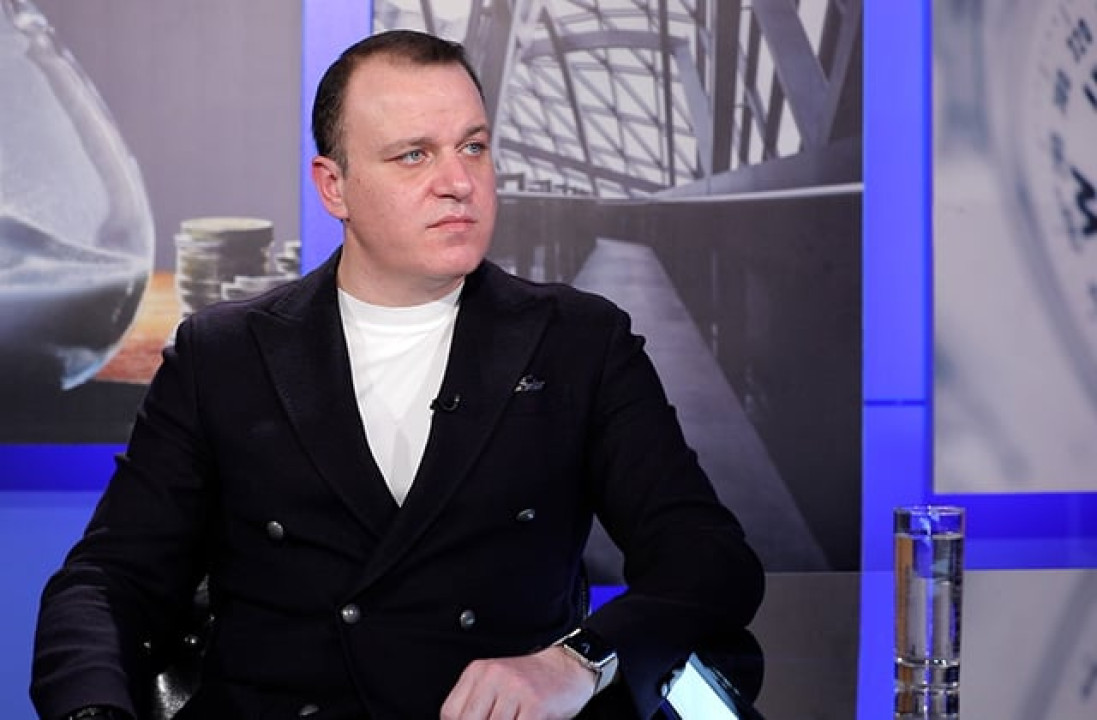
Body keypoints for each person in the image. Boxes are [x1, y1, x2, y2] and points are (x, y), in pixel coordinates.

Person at [31, 29, 764, 720]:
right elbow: (108, 582)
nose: (458, 182)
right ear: (334, 187)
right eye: (413, 155)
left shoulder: (578, 341)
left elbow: (707, 559)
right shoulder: (222, 354)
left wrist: (579, 661)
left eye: (473, 147)